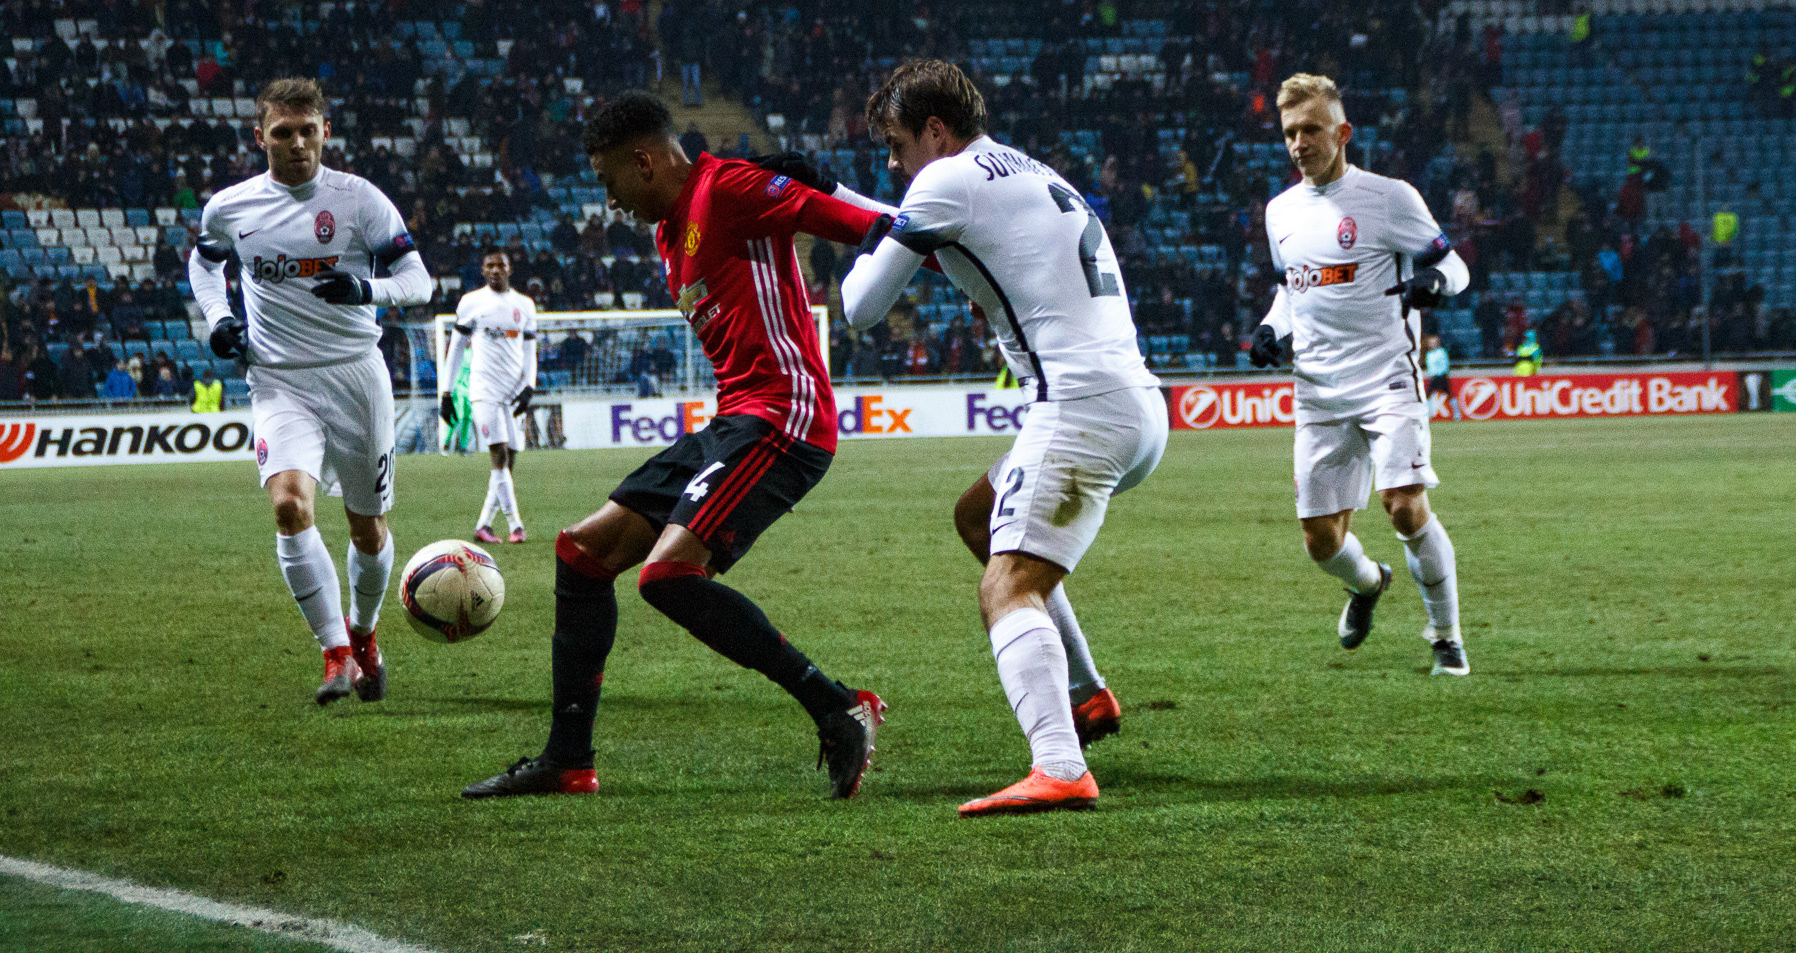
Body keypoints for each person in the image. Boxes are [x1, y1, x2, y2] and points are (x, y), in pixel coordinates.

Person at [463, 92, 889, 803]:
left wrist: (832, 186)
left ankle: (836, 704)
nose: (610, 201)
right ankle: (567, 760)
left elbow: (863, 225)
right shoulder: (670, 234)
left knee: (665, 577)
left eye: (609, 182)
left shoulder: (730, 188)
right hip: (734, 420)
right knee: (580, 554)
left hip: (784, 418)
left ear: (645, 160)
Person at [840, 59, 1167, 817]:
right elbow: (909, 218)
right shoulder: (1019, 166)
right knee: (977, 516)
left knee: (1008, 586)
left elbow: (859, 306)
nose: (892, 164)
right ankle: (1086, 698)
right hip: (1131, 405)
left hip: (1080, 408)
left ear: (934, 129)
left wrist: (809, 209)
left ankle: (1059, 764)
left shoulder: (945, 181)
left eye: (896, 145)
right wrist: (840, 203)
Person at [188, 77, 434, 707]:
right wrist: (218, 319)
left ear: (326, 131)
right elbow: (204, 263)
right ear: (260, 136)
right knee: (290, 507)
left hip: (355, 374)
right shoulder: (230, 208)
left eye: (307, 131)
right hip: (278, 379)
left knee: (368, 530)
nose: (296, 144)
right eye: (282, 133)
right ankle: (336, 653)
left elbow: (419, 280)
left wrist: (367, 291)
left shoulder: (359, 200)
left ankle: (365, 632)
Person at [1248, 73, 1472, 679]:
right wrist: (1272, 328)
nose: (1299, 143)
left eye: (1312, 129)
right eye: (1290, 132)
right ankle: (1370, 584)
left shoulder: (1390, 198)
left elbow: (1453, 264)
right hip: (1317, 391)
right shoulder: (1280, 213)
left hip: (1385, 378)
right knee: (1321, 540)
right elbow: (1288, 290)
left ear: (1343, 132)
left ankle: (1445, 635)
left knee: (1403, 505)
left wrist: (1435, 282)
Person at [440, 251, 538, 544]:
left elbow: (530, 349)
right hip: (483, 390)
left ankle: (483, 525)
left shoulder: (525, 305)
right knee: (498, 455)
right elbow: (456, 347)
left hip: (514, 392)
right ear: (483, 270)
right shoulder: (472, 302)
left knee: (511, 460)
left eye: (501, 265)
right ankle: (516, 526)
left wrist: (529, 386)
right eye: (490, 266)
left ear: (510, 268)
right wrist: (446, 392)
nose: (496, 270)